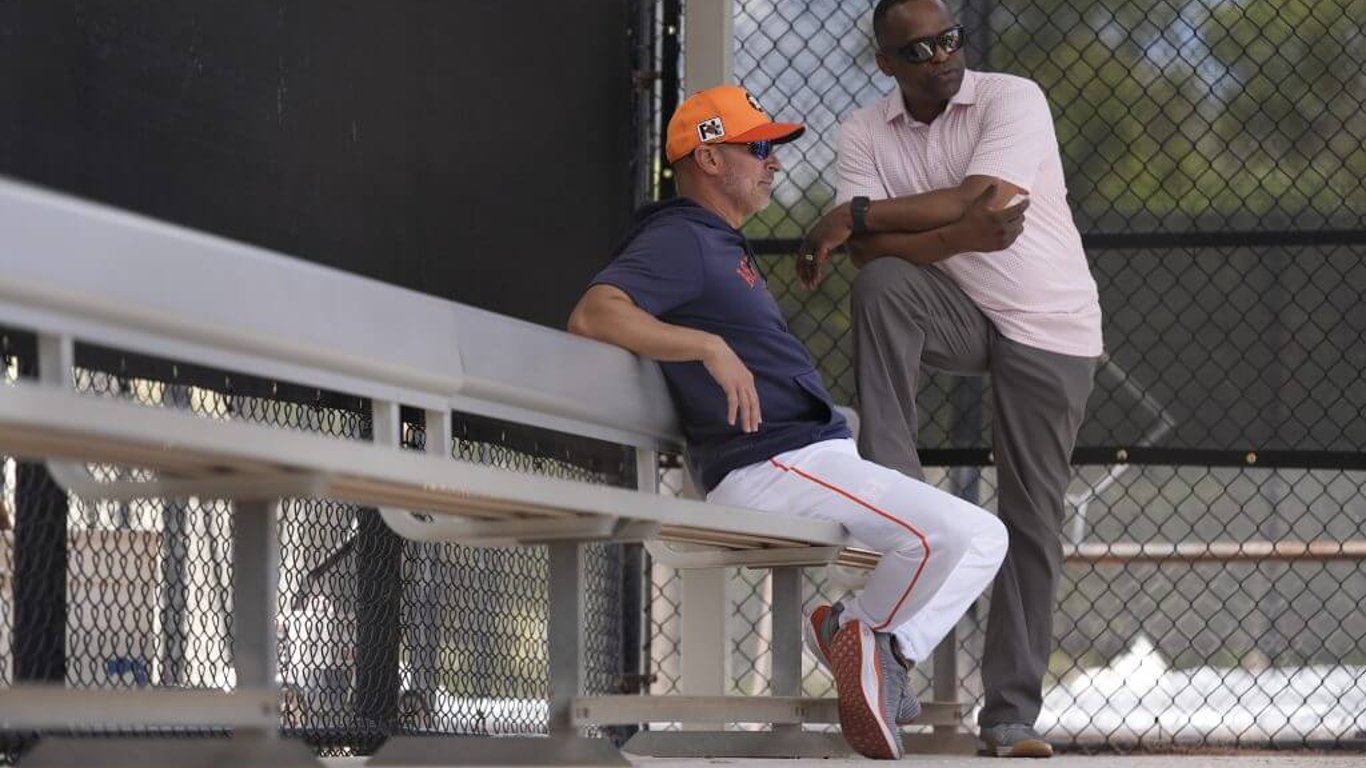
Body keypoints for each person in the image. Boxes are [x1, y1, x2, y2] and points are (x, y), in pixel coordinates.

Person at [569, 84, 1010, 760]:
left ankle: (874, 646)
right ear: (709, 158)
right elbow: (594, 314)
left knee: (977, 539)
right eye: (758, 148)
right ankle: (861, 638)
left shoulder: (717, 240)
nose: (773, 162)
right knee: (957, 535)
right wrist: (706, 346)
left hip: (803, 459)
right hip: (770, 463)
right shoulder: (681, 235)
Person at [798, 0, 1103, 758]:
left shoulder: (1011, 97)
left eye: (949, 39)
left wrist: (860, 213)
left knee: (1030, 518)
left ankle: (1008, 716)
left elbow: (978, 200)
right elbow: (871, 256)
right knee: (880, 288)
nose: (940, 56)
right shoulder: (863, 131)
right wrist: (956, 235)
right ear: (886, 63)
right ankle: (896, 497)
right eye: (918, 49)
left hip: (1049, 322)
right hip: (958, 309)